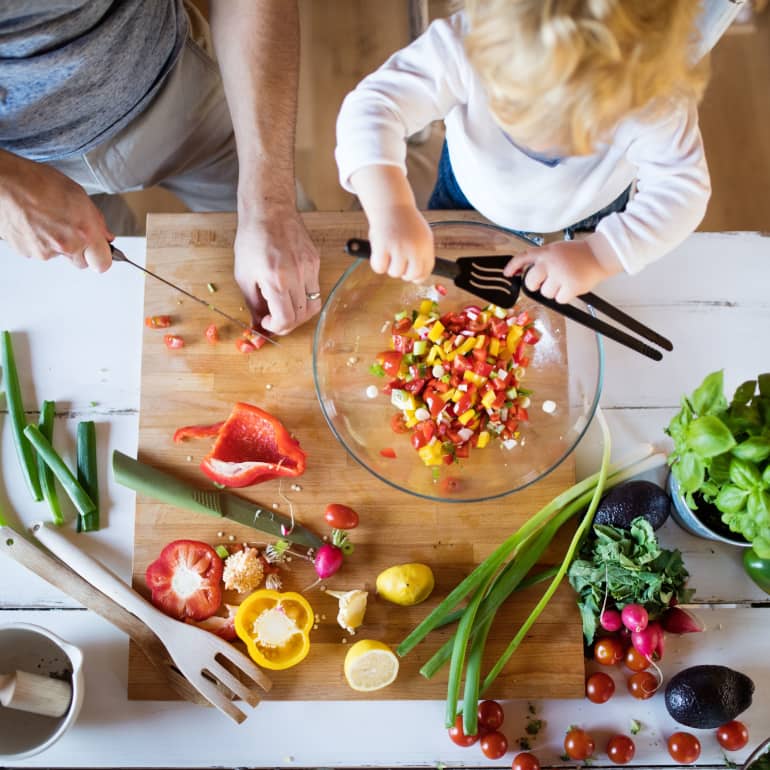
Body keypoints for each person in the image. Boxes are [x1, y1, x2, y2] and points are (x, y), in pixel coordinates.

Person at [335, 0, 716, 304]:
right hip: (469, 195)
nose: (546, 148)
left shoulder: (657, 93)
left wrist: (600, 255)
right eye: (520, 110)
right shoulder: (470, 44)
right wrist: (392, 208)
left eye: (582, 131)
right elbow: (374, 106)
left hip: (592, 215)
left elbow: (681, 189)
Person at [0, 0, 320, 335]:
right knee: (106, 318)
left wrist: (271, 206)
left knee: (291, 274)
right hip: (23, 163)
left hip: (173, 87)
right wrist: (7, 185)